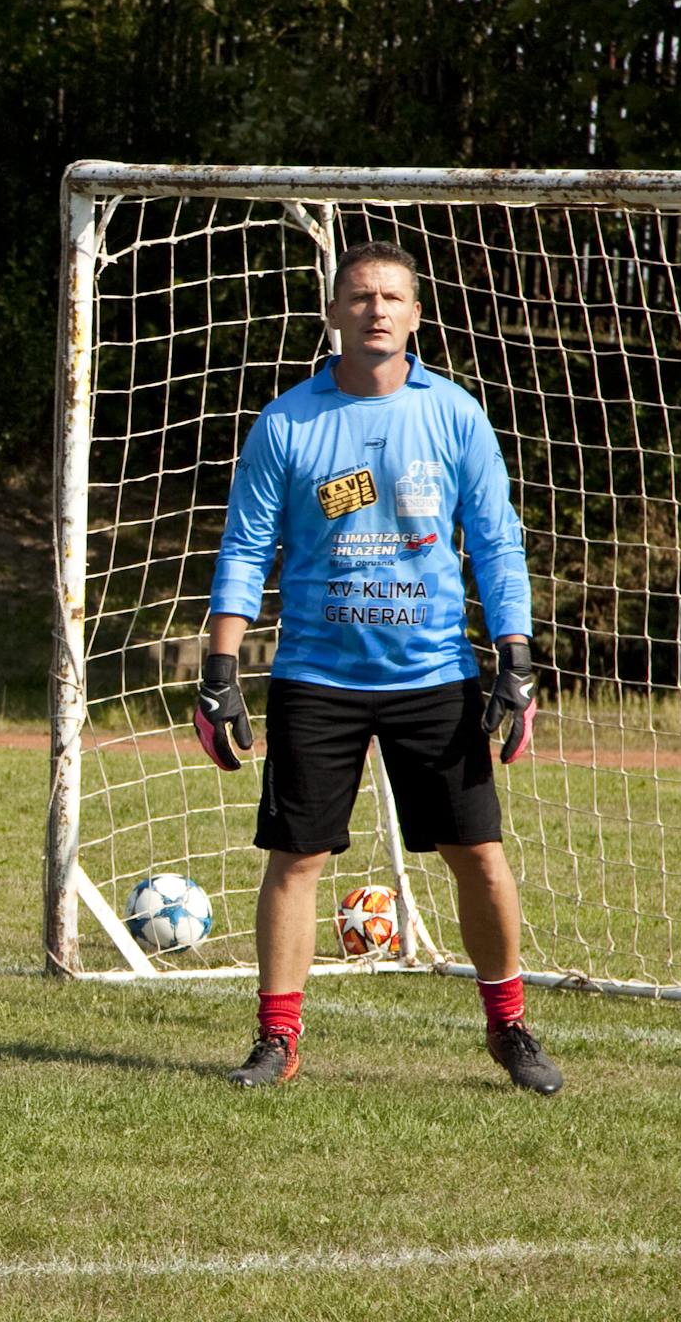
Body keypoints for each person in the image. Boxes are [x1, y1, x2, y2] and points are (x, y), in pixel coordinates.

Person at [193, 238, 560, 1095]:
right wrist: (220, 670)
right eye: (359, 296)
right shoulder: (287, 422)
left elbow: (498, 545)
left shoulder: (455, 414)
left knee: (478, 853)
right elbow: (247, 551)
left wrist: (517, 659)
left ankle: (509, 1027)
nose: (377, 309)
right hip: (317, 676)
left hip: (434, 674)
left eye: (393, 297)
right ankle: (277, 1040)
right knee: (295, 857)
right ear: (333, 315)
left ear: (416, 315)